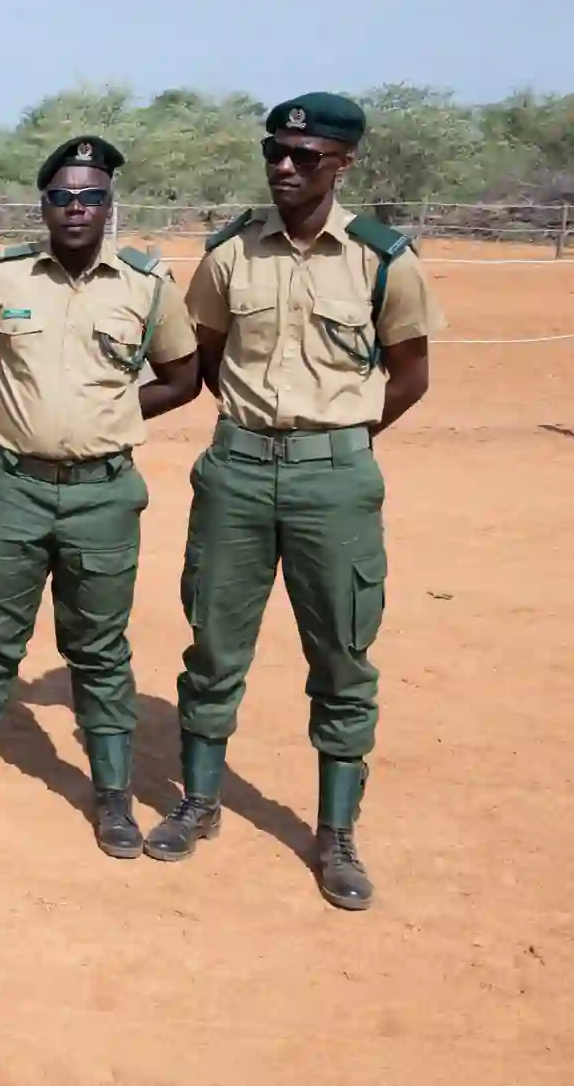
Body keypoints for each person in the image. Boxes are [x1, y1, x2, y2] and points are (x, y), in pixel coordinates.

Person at [146, 93, 441, 911]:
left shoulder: (383, 259)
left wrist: (338, 439)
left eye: (305, 156)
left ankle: (335, 833)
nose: (284, 166)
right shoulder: (230, 255)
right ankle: (199, 802)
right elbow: (201, 358)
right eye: (275, 151)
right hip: (236, 470)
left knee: (342, 657)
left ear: (342, 163)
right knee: (213, 644)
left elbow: (409, 373)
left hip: (335, 481)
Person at [0, 136, 201, 855]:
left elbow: (183, 376)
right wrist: (11, 405)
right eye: (62, 196)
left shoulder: (146, 284)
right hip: (12, 489)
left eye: (90, 195)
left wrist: (114, 416)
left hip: (103, 495)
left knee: (98, 649)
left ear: (109, 204)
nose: (76, 208)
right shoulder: (4, 279)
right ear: (45, 205)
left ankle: (113, 796)